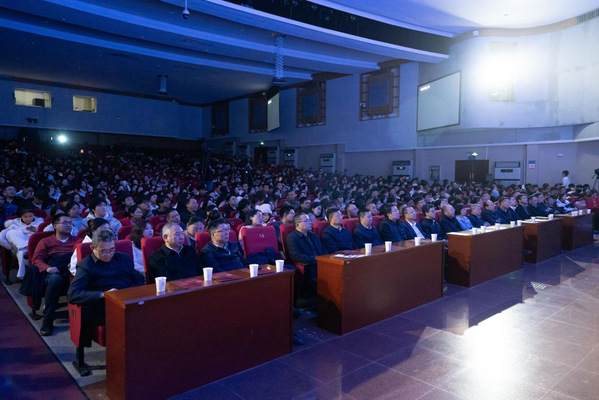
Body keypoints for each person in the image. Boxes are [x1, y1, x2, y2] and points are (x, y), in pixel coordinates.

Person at [67, 229, 144, 363]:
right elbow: (73, 294)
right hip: (103, 305)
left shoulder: (124, 258)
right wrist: (103, 294)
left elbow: (138, 279)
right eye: (103, 251)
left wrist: (127, 292)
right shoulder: (86, 265)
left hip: (126, 299)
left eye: (111, 250)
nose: (108, 254)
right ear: (93, 248)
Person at [30, 214, 79, 335]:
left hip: (72, 270)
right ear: (55, 226)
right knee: (55, 280)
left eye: (70, 223)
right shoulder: (45, 241)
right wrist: (47, 268)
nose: (69, 225)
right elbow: (36, 259)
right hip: (53, 270)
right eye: (65, 223)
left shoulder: (78, 240)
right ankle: (48, 319)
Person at [285, 212, 326, 295]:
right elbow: (295, 256)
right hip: (310, 264)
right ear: (298, 225)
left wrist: (326, 258)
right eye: (307, 221)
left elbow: (322, 249)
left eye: (310, 220)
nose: (310, 222)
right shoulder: (292, 237)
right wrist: (315, 260)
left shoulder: (313, 235)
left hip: (321, 261)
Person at [1, 206, 43, 279]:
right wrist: (9, 247)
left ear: (34, 215)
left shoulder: (39, 222)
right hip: (16, 247)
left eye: (30, 216)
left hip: (31, 246)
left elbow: (42, 234)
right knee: (11, 232)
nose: (28, 219)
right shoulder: (14, 223)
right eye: (25, 217)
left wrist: (36, 230)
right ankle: (24, 246)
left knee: (22, 252)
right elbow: (2, 237)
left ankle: (22, 275)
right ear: (21, 216)